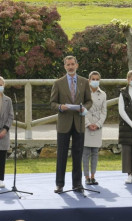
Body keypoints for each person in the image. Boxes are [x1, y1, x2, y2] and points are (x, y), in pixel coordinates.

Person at [50, 55, 92, 193]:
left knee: (78, 154)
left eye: (72, 64)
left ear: (77, 65)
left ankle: (77, 184)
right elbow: (52, 103)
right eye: (68, 65)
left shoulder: (84, 82)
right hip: (64, 123)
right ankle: (59, 184)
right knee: (61, 154)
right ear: (64, 67)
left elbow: (89, 101)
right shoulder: (58, 83)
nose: (70, 67)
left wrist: (85, 108)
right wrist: (60, 107)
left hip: (79, 122)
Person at [83, 71, 107, 185]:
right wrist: (88, 123)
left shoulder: (103, 94)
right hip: (86, 125)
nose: (95, 81)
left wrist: (98, 124)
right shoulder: (83, 93)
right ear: (89, 80)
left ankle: (93, 176)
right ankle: (86, 177)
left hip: (97, 126)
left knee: (95, 153)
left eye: (97, 79)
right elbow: (81, 110)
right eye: (93, 79)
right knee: (86, 153)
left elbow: (104, 111)